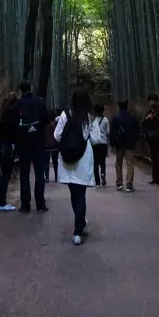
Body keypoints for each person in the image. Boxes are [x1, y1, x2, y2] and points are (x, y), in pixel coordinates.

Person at [54, 88, 100, 244]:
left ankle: (80, 225)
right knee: (81, 194)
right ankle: (78, 230)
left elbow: (57, 135)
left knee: (74, 194)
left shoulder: (65, 114)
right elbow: (95, 138)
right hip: (83, 158)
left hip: (67, 158)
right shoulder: (90, 117)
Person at [15, 80, 50, 213]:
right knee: (39, 174)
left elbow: (14, 124)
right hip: (38, 142)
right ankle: (40, 204)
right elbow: (46, 120)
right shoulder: (40, 102)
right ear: (31, 88)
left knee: (24, 174)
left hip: (23, 143)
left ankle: (25, 206)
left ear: (20, 90)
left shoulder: (17, 103)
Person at [0, 91, 18, 211]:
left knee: (4, 175)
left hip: (0, 146)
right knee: (5, 175)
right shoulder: (11, 114)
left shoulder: (2, 114)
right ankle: (1, 203)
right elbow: (11, 132)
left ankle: (1, 201)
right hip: (6, 148)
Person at [110, 99, 140, 192]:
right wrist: (134, 140)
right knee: (129, 164)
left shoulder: (115, 117)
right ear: (127, 106)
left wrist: (112, 143)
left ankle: (119, 183)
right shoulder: (132, 117)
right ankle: (129, 184)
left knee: (118, 163)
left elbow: (112, 132)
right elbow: (137, 131)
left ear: (119, 106)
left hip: (119, 144)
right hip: (130, 144)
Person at [92, 103, 109, 186]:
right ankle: (102, 173)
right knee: (102, 162)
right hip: (103, 144)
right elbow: (108, 132)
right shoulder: (105, 120)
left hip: (95, 143)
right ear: (102, 110)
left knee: (95, 163)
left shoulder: (92, 120)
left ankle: (97, 182)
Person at [44, 109, 59, 183]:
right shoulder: (56, 124)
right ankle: (56, 177)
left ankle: (47, 177)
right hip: (55, 145)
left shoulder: (45, 125)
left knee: (46, 162)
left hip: (46, 146)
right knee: (55, 162)